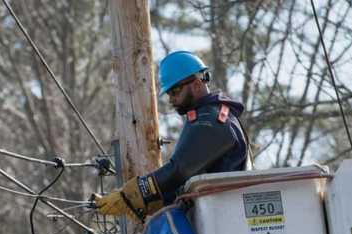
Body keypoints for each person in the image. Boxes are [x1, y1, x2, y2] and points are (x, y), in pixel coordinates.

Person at [95, 51, 249, 221]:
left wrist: (133, 194)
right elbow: (187, 180)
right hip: (216, 220)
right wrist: (156, 201)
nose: (171, 99)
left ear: (197, 84)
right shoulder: (206, 118)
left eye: (175, 91)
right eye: (169, 94)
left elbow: (180, 169)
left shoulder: (213, 121)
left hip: (225, 221)